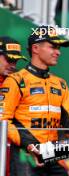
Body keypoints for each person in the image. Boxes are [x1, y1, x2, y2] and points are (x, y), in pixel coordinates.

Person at [0, 25, 69, 176]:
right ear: (35, 48)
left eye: (59, 48)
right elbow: (3, 119)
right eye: (53, 47)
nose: (58, 52)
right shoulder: (15, 80)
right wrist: (31, 146)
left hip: (53, 155)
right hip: (25, 156)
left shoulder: (61, 83)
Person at [0, 36, 28, 176]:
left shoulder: (18, 82)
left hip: (13, 149)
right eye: (9, 59)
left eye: (15, 61)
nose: (13, 64)